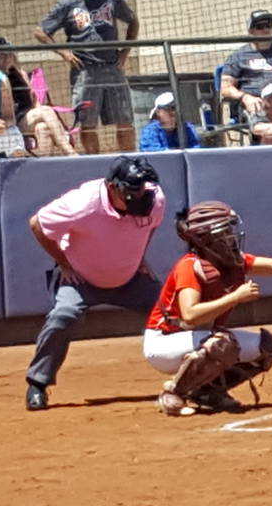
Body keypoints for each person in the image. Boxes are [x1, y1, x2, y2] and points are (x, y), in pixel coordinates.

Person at [143, 201, 272, 415]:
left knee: (265, 348)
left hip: (196, 340)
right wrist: (235, 297)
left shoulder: (232, 262)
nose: (231, 236)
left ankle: (207, 392)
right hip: (164, 343)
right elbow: (190, 316)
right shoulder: (190, 266)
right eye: (224, 231)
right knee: (223, 344)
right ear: (205, 237)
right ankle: (173, 395)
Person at [24, 156, 166, 411]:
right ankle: (38, 384)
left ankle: (200, 379)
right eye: (133, 190)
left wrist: (140, 256)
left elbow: (151, 226)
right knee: (63, 316)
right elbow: (37, 224)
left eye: (143, 188)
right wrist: (64, 264)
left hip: (130, 277)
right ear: (113, 186)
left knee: (174, 310)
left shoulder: (155, 200)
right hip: (82, 278)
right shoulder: (82, 205)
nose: (141, 195)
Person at [34, 0, 139, 154]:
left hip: (112, 66)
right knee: (87, 123)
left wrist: (125, 52)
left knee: (124, 120)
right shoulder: (68, 4)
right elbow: (40, 31)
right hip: (85, 70)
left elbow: (133, 21)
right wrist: (64, 53)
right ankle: (94, 163)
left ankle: (129, 160)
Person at [0, 37, 78, 157]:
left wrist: (39, 112)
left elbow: (34, 97)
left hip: (29, 116)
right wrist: (41, 113)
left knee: (43, 127)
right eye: (3, 56)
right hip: (13, 121)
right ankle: (69, 151)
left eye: (10, 54)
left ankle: (42, 165)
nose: (7, 58)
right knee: (46, 110)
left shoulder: (19, 73)